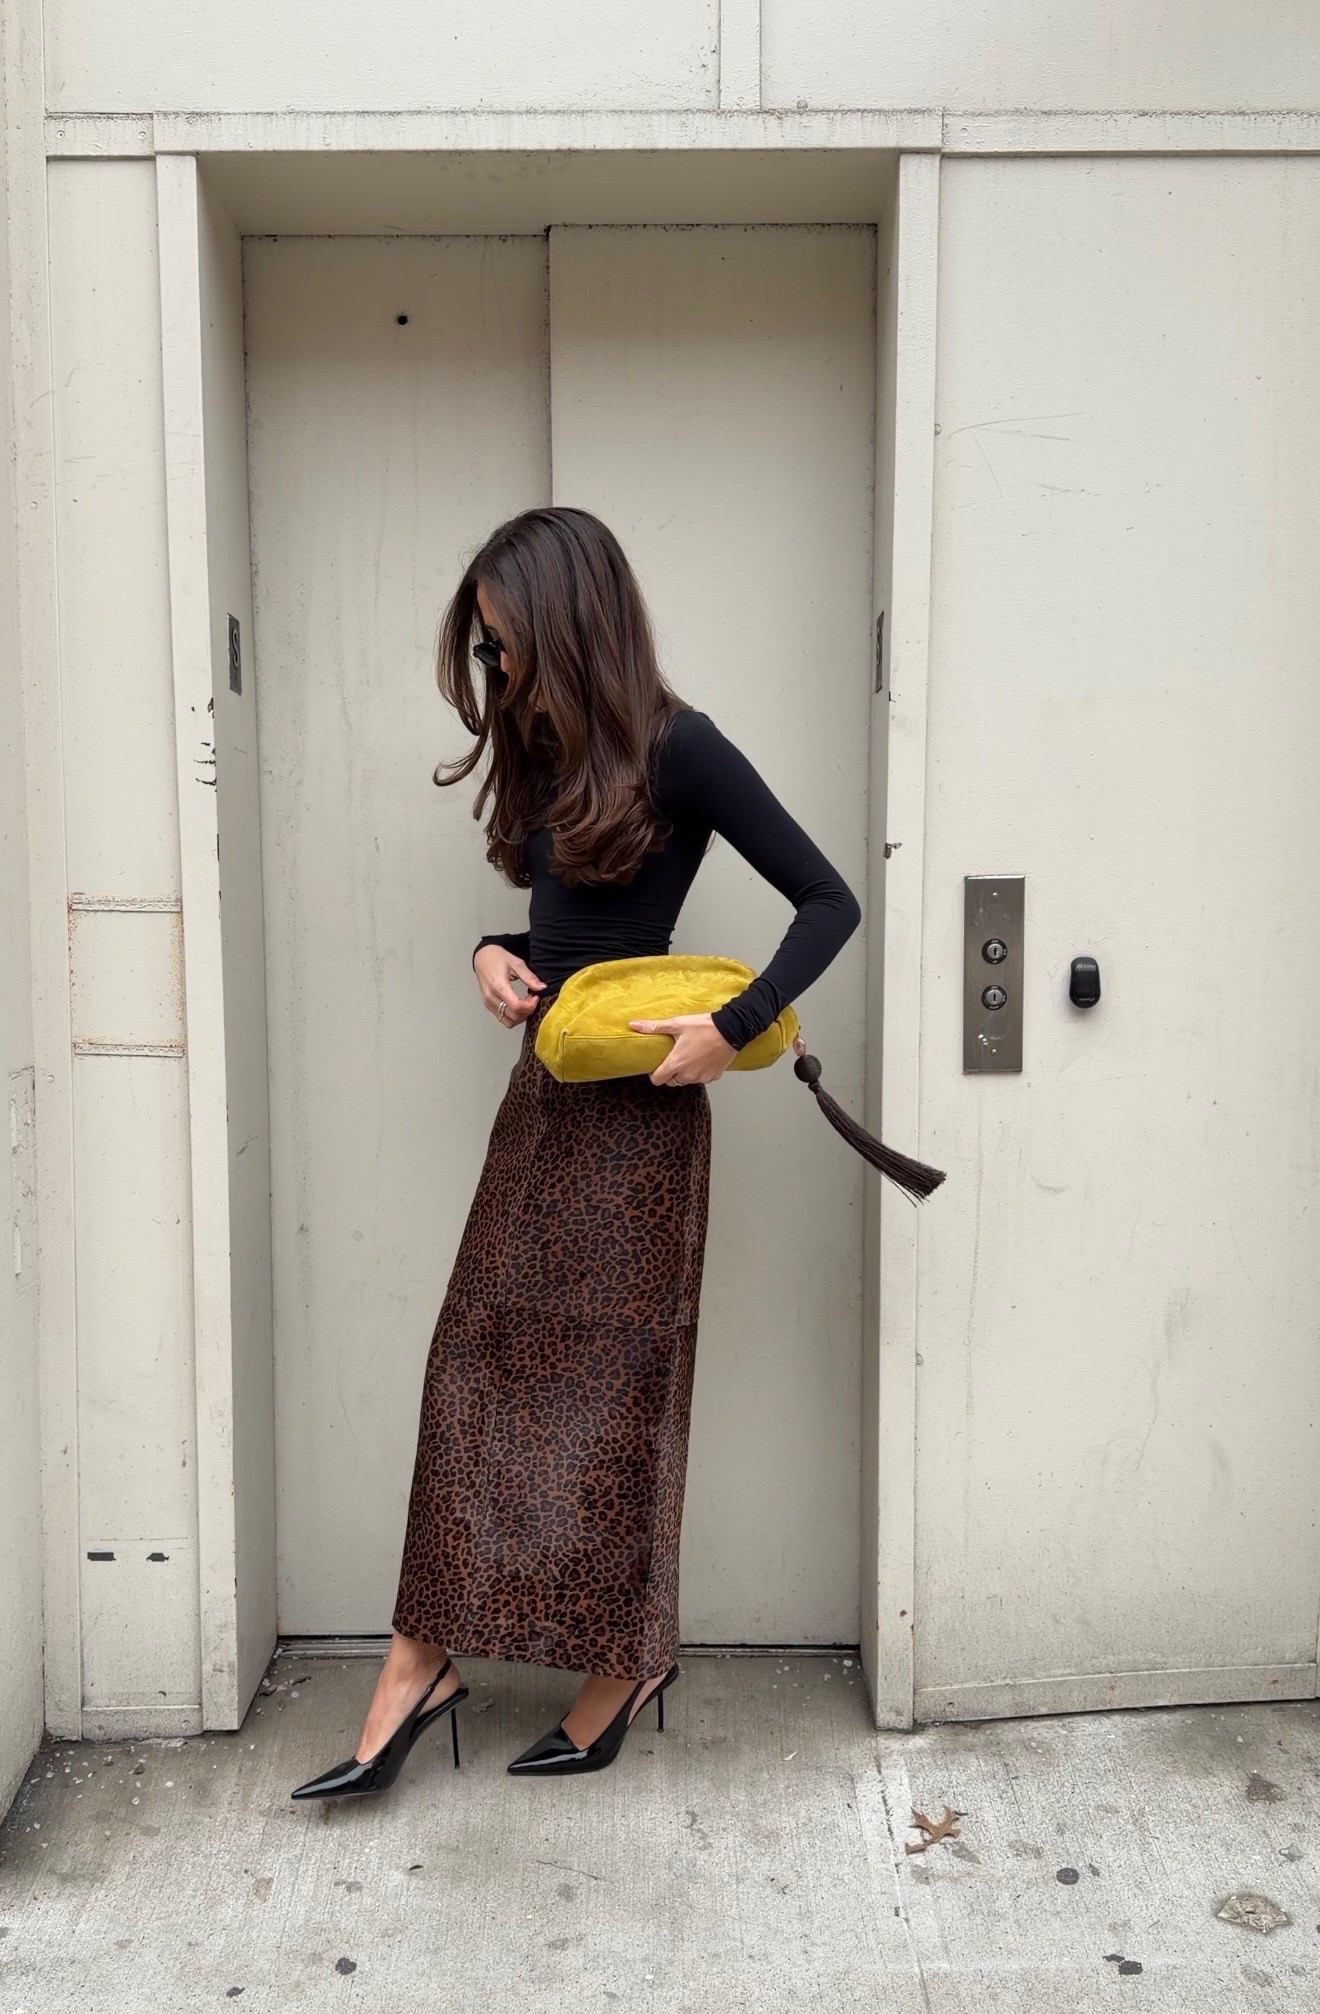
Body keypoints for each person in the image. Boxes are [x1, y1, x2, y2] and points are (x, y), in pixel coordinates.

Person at [291, 505, 861, 1798]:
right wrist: (488, 954)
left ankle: (627, 1662)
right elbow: (559, 931)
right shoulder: (546, 758)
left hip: (647, 1123)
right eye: (489, 653)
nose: (500, 672)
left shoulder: (684, 748)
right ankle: (417, 1663)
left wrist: (735, 1025)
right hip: (542, 1105)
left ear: (568, 621)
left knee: (622, 1400)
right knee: (472, 1370)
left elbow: (831, 898)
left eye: (507, 644)